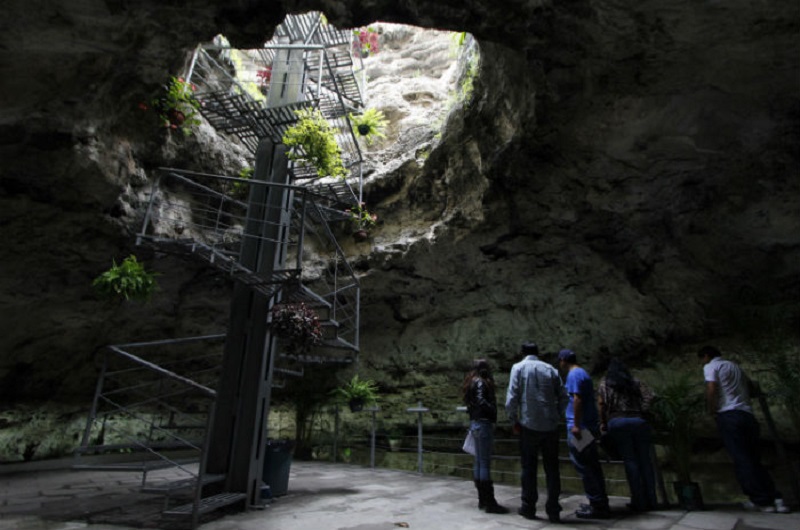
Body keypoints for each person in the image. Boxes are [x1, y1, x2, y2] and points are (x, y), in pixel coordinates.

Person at [698, 346, 790, 514]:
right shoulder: (736, 367)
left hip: (729, 415)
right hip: (747, 415)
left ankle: (761, 501)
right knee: (754, 459)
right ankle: (776, 499)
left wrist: (711, 409)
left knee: (742, 459)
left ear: (706, 356)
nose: (702, 363)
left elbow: (711, 387)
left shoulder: (711, 366)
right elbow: (750, 387)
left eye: (702, 359)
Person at [505, 341, 567, 523]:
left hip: (529, 425)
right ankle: (554, 509)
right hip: (550, 427)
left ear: (522, 352)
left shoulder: (518, 368)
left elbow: (512, 396)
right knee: (552, 469)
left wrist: (513, 420)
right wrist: (557, 416)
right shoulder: (551, 369)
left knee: (528, 468)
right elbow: (564, 396)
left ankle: (528, 507)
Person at [597, 358, 657, 512]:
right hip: (639, 421)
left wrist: (603, 422)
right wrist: (642, 410)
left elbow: (602, 404)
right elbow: (650, 396)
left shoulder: (606, 383)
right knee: (645, 461)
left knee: (630, 461)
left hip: (618, 422)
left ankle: (638, 500)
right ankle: (652, 499)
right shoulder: (634, 382)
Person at [558, 348, 611, 519]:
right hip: (587, 425)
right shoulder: (583, 373)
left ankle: (597, 505)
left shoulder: (574, 375)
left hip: (580, 428)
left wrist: (575, 425)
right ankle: (600, 502)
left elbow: (577, 399)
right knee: (591, 464)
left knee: (584, 465)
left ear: (564, 360)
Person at [462, 359, 509, 514]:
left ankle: (482, 500)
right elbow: (481, 401)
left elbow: (472, 404)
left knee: (478, 460)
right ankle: (489, 502)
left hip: (475, 423)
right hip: (483, 424)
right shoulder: (481, 382)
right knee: (484, 462)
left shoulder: (470, 382)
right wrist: (492, 411)